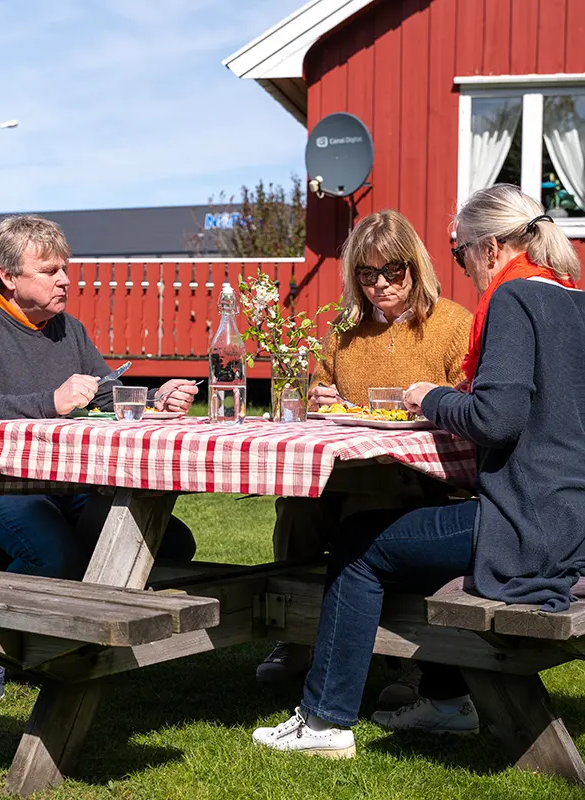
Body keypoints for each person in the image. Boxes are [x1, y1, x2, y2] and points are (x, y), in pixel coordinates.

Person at [252, 183, 585, 757]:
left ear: (491, 247)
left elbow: (496, 418)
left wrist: (431, 397)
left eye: (461, 254)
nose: (465, 267)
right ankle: (447, 698)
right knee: (400, 530)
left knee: (359, 544)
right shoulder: (574, 300)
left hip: (523, 528)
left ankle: (324, 721)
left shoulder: (512, 299)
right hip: (570, 523)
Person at [0, 214, 199, 702]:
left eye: (65, 269)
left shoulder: (66, 330)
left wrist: (157, 398)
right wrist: (48, 402)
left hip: (58, 481)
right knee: (53, 554)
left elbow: (104, 392)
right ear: (9, 277)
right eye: (49, 270)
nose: (64, 280)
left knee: (168, 541)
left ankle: (74, 630)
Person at [257, 210, 472, 710]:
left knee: (374, 504)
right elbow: (322, 390)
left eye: (392, 271)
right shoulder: (345, 332)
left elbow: (469, 405)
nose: (380, 284)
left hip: (427, 480)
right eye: (366, 274)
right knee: (297, 502)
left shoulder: (452, 326)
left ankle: (412, 659)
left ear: (415, 267)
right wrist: (320, 396)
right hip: (349, 470)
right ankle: (297, 629)